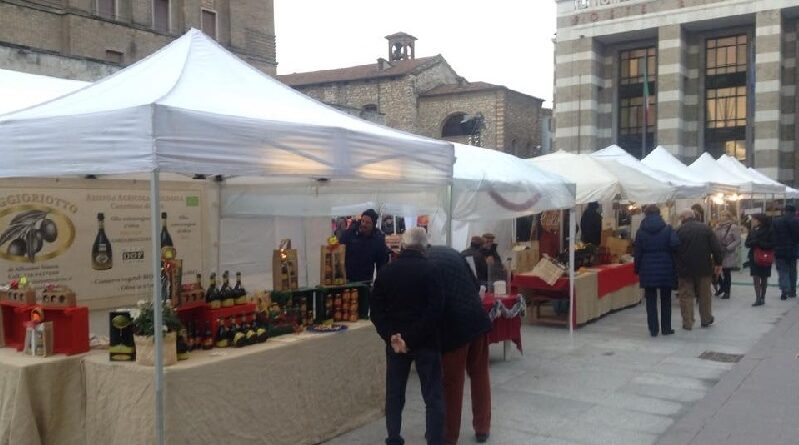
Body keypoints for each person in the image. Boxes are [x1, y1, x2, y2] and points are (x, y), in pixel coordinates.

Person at [370, 227, 445, 445]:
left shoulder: (386, 272)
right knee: (432, 395)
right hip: (426, 342)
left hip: (395, 343)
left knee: (395, 393)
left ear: (402, 246)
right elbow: (435, 311)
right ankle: (434, 440)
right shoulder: (432, 270)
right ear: (424, 246)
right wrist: (411, 339)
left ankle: (393, 436)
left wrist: (392, 337)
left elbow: (376, 311)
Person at [427, 246, 492, 445]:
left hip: (454, 328)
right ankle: (483, 428)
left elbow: (431, 302)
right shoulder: (453, 253)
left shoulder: (425, 264)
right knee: (480, 374)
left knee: (452, 384)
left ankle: (449, 435)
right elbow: (474, 285)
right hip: (477, 318)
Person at [634, 205, 679, 337]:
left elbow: (638, 253)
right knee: (666, 299)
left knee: (650, 300)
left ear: (645, 215)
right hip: (665, 266)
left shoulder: (640, 232)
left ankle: (653, 329)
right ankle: (666, 328)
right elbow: (675, 244)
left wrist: (637, 268)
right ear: (659, 214)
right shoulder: (667, 229)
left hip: (647, 267)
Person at [675, 209, 724, 330]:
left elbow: (674, 250)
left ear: (683, 218)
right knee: (704, 295)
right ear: (694, 216)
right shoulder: (706, 228)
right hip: (704, 268)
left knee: (686, 295)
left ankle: (688, 322)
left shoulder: (678, 231)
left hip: (684, 268)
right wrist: (718, 263)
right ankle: (706, 319)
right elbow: (716, 248)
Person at [338, 209, 391, 283]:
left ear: (373, 225)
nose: (364, 224)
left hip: (366, 281)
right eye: (362, 221)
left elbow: (382, 262)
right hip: (347, 280)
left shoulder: (377, 239)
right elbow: (339, 253)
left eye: (368, 222)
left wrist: (380, 282)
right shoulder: (349, 234)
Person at [745, 214, 776, 307]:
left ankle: (763, 297)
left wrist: (759, 243)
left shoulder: (770, 230)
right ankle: (758, 298)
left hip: (765, 256)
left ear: (759, 220)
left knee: (764, 277)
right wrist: (752, 243)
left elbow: (772, 244)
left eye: (753, 219)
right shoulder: (753, 230)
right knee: (755, 277)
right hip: (754, 257)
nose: (752, 221)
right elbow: (747, 243)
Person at [772, 205, 799, 299]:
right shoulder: (796, 221)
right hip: (793, 250)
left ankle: (784, 290)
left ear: (784, 211)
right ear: (794, 211)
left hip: (780, 250)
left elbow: (773, 236)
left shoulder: (776, 221)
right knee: (792, 271)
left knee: (783, 271)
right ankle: (792, 291)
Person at [713, 211, 741, 300]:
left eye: (724, 215)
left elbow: (737, 240)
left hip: (728, 252)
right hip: (719, 252)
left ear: (729, 217)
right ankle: (722, 287)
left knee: (726, 272)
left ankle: (727, 291)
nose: (722, 217)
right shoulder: (718, 226)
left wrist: (729, 247)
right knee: (716, 271)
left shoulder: (733, 227)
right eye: (721, 215)